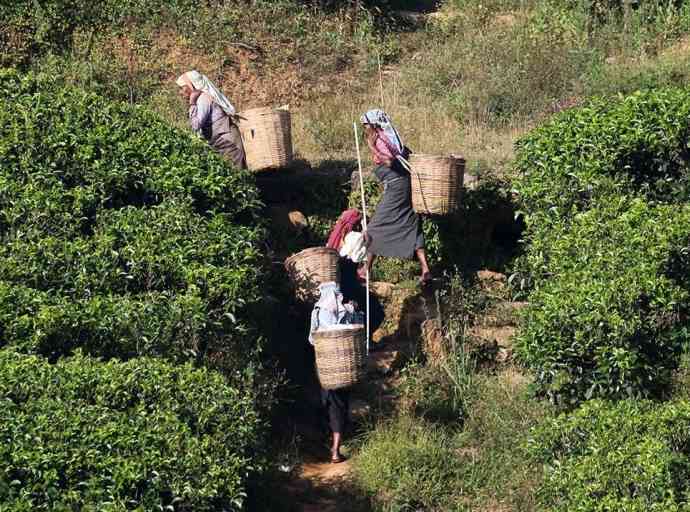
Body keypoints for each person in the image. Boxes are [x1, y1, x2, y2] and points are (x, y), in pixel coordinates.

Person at [359, 109, 431, 284]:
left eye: (366, 125)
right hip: (406, 185)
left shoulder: (380, 139)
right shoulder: (392, 137)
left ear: (374, 124)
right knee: (412, 223)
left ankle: (366, 269)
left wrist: (372, 148)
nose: (365, 128)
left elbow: (390, 161)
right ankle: (425, 268)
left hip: (397, 187)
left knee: (376, 225)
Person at [309, 281, 364, 463]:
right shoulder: (347, 310)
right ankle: (335, 449)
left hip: (326, 366)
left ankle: (330, 444)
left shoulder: (316, 311)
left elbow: (311, 339)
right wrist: (355, 311)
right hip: (343, 366)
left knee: (329, 402)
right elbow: (359, 330)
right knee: (340, 405)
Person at [176, 70, 246, 169]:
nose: (180, 92)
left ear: (191, 86)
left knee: (238, 174)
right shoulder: (202, 98)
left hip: (227, 141)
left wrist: (192, 103)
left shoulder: (203, 99)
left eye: (182, 88)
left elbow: (196, 125)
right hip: (223, 140)